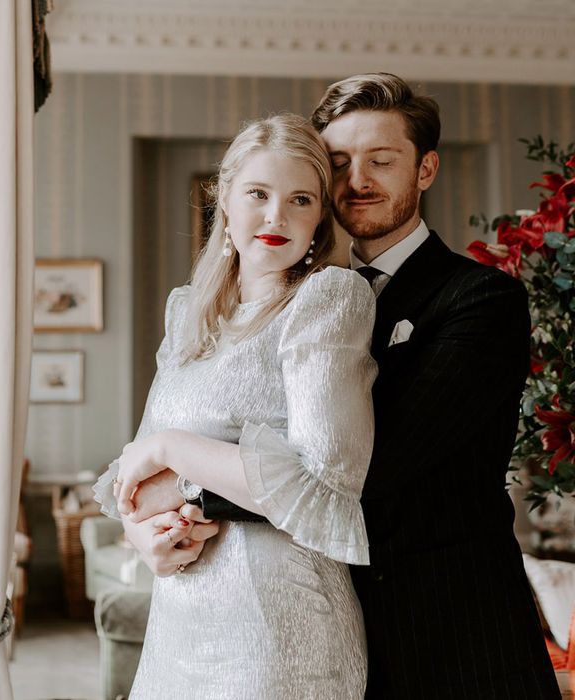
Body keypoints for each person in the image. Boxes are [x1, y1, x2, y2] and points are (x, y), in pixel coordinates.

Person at [125, 74, 560, 699]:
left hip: (449, 635)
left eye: (382, 160)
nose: (358, 179)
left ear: (427, 168)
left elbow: (375, 465)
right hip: (308, 618)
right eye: (339, 162)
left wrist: (182, 484)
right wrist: (148, 527)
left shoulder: (482, 301)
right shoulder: (288, 296)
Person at [93, 113, 377, 698]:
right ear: (224, 200)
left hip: (281, 618)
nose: (277, 216)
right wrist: (145, 539)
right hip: (181, 616)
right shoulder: (187, 312)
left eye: (300, 199)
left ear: (321, 216)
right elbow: (134, 477)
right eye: (258, 193)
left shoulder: (327, 298)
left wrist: (176, 451)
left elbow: (330, 482)